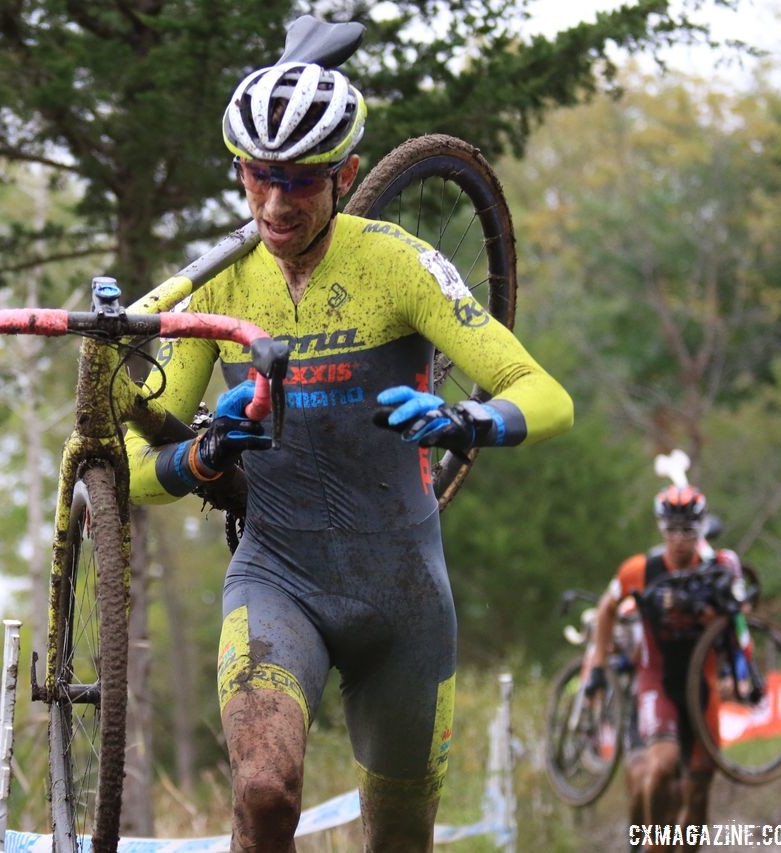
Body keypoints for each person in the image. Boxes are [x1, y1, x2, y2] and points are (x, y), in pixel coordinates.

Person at [125, 60, 573, 852]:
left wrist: (469, 418)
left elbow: (546, 394)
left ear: (348, 174)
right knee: (264, 791)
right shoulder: (219, 285)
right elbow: (127, 462)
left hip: (402, 593)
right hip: (276, 576)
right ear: (238, 171)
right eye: (259, 176)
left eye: (299, 180)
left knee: (399, 840)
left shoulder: (396, 262)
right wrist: (205, 451)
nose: (275, 202)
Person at [587, 485, 743, 847]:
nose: (679, 539)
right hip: (657, 678)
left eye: (688, 529)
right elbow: (605, 610)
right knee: (661, 765)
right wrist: (598, 663)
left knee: (699, 794)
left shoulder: (716, 570)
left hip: (701, 685)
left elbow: (741, 621)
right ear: (660, 528)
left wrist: (737, 669)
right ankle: (651, 844)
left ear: (702, 529)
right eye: (671, 529)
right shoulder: (640, 569)